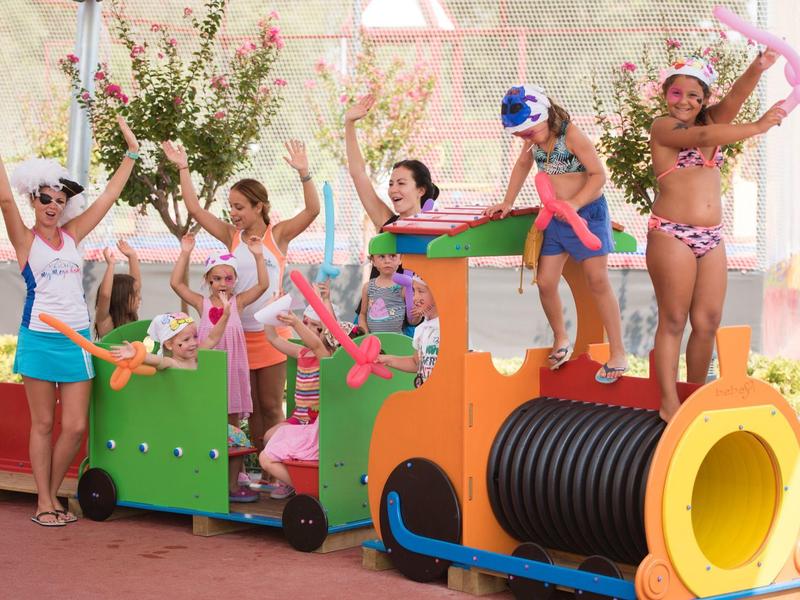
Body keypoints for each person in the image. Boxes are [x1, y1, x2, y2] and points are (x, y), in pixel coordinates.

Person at [0, 117, 138, 526]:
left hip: (78, 340)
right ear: (34, 200)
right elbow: (5, 200)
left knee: (75, 426)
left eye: (59, 200)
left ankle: (50, 494)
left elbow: (110, 196)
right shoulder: (25, 239)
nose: (52, 206)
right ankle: (45, 501)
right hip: (39, 339)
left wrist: (130, 152)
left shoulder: (74, 233)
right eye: (45, 199)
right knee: (43, 423)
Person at [648, 53, 784, 422]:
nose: (685, 102)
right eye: (677, 93)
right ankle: (668, 401)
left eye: (695, 95)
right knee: (674, 319)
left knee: (707, 321)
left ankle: (694, 395)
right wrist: (757, 127)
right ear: (666, 95)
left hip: (711, 236)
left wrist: (758, 66)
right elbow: (703, 136)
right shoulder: (664, 127)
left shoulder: (710, 119)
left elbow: (735, 100)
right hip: (672, 234)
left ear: (704, 100)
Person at [162, 139, 320, 453]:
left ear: (258, 206)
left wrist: (304, 172)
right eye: (231, 207)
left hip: (271, 334)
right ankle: (252, 466)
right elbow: (194, 208)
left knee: (272, 405)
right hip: (235, 335)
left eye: (239, 207)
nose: (233, 213)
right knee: (246, 409)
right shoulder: (230, 235)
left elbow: (313, 210)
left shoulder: (279, 235)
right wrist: (183, 168)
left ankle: (274, 466)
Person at [485, 84, 628, 383]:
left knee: (597, 280)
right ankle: (561, 338)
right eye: (520, 135)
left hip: (587, 214)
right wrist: (508, 201)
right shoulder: (534, 142)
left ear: (546, 115)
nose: (525, 139)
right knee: (546, 280)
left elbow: (599, 176)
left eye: (528, 132)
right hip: (555, 218)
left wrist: (574, 205)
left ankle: (618, 352)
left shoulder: (571, 135)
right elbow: (522, 166)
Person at [111, 300, 258, 502]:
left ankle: (230, 485)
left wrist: (225, 316)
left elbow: (214, 337)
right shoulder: (174, 363)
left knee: (238, 437)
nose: (193, 342)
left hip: (201, 421)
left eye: (195, 337)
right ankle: (224, 484)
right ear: (169, 344)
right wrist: (137, 354)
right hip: (184, 424)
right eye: (186, 339)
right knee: (228, 438)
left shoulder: (197, 357)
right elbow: (157, 361)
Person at [260, 305, 362, 500]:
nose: (307, 328)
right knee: (268, 437)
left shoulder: (327, 357)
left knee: (277, 443)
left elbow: (316, 345)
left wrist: (297, 323)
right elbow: (272, 338)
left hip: (314, 421)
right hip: (300, 418)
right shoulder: (301, 352)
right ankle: (289, 481)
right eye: (305, 322)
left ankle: (299, 482)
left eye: (314, 326)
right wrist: (269, 312)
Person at [169, 232, 268, 424]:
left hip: (232, 364)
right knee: (208, 408)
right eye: (217, 279)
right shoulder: (202, 303)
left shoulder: (237, 302)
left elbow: (263, 285)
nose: (223, 283)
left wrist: (258, 255)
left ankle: (233, 450)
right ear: (209, 280)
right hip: (208, 363)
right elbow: (176, 284)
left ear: (235, 280)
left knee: (231, 412)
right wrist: (185, 253)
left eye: (228, 279)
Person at [378, 276, 439, 388]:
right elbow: (416, 363)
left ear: (437, 292)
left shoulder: (449, 327)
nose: (415, 298)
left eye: (421, 291)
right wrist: (386, 360)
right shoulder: (422, 329)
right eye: (414, 291)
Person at [94, 239, 141, 338]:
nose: (140, 297)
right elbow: (105, 295)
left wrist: (132, 256)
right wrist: (111, 265)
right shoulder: (105, 320)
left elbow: (136, 284)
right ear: (121, 298)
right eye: (135, 294)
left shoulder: (130, 316)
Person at [358, 253, 407, 335]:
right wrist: (366, 335)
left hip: (397, 341)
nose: (387, 261)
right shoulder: (368, 287)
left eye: (392, 256)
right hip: (374, 341)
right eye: (382, 256)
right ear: (373, 261)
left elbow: (412, 318)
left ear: (400, 259)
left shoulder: (404, 286)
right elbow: (362, 314)